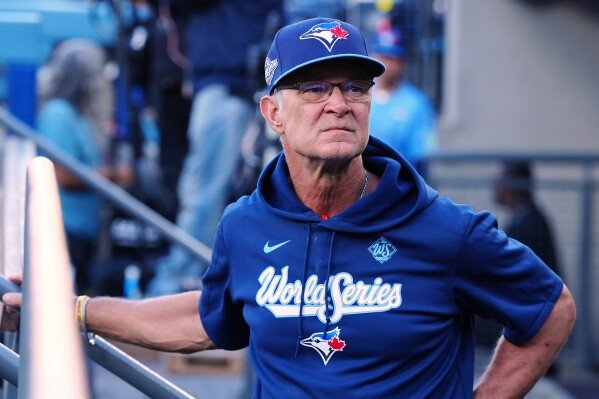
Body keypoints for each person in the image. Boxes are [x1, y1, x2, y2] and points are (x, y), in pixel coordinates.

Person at [4, 18, 575, 398]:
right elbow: (205, 318)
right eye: (315, 89)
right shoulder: (244, 225)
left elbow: (551, 308)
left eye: (354, 87)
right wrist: (71, 308)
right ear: (272, 113)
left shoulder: (446, 230)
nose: (339, 104)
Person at [146, 0, 284, 296]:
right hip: (228, 86)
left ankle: (176, 280)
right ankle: (201, 275)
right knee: (208, 188)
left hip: (229, 87)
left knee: (202, 189)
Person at [36, 39, 133, 295]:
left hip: (84, 228)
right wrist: (114, 175)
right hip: (65, 227)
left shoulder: (80, 117)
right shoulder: (58, 113)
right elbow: (61, 174)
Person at [369, 26, 436, 174]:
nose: (386, 63)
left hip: (400, 184)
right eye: (382, 56)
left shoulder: (416, 103)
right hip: (360, 183)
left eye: (392, 58)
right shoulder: (358, 95)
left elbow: (421, 157)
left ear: (402, 63)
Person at [494, 161, 560, 276]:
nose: (494, 188)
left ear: (512, 185)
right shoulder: (526, 216)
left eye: (498, 182)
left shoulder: (527, 223)